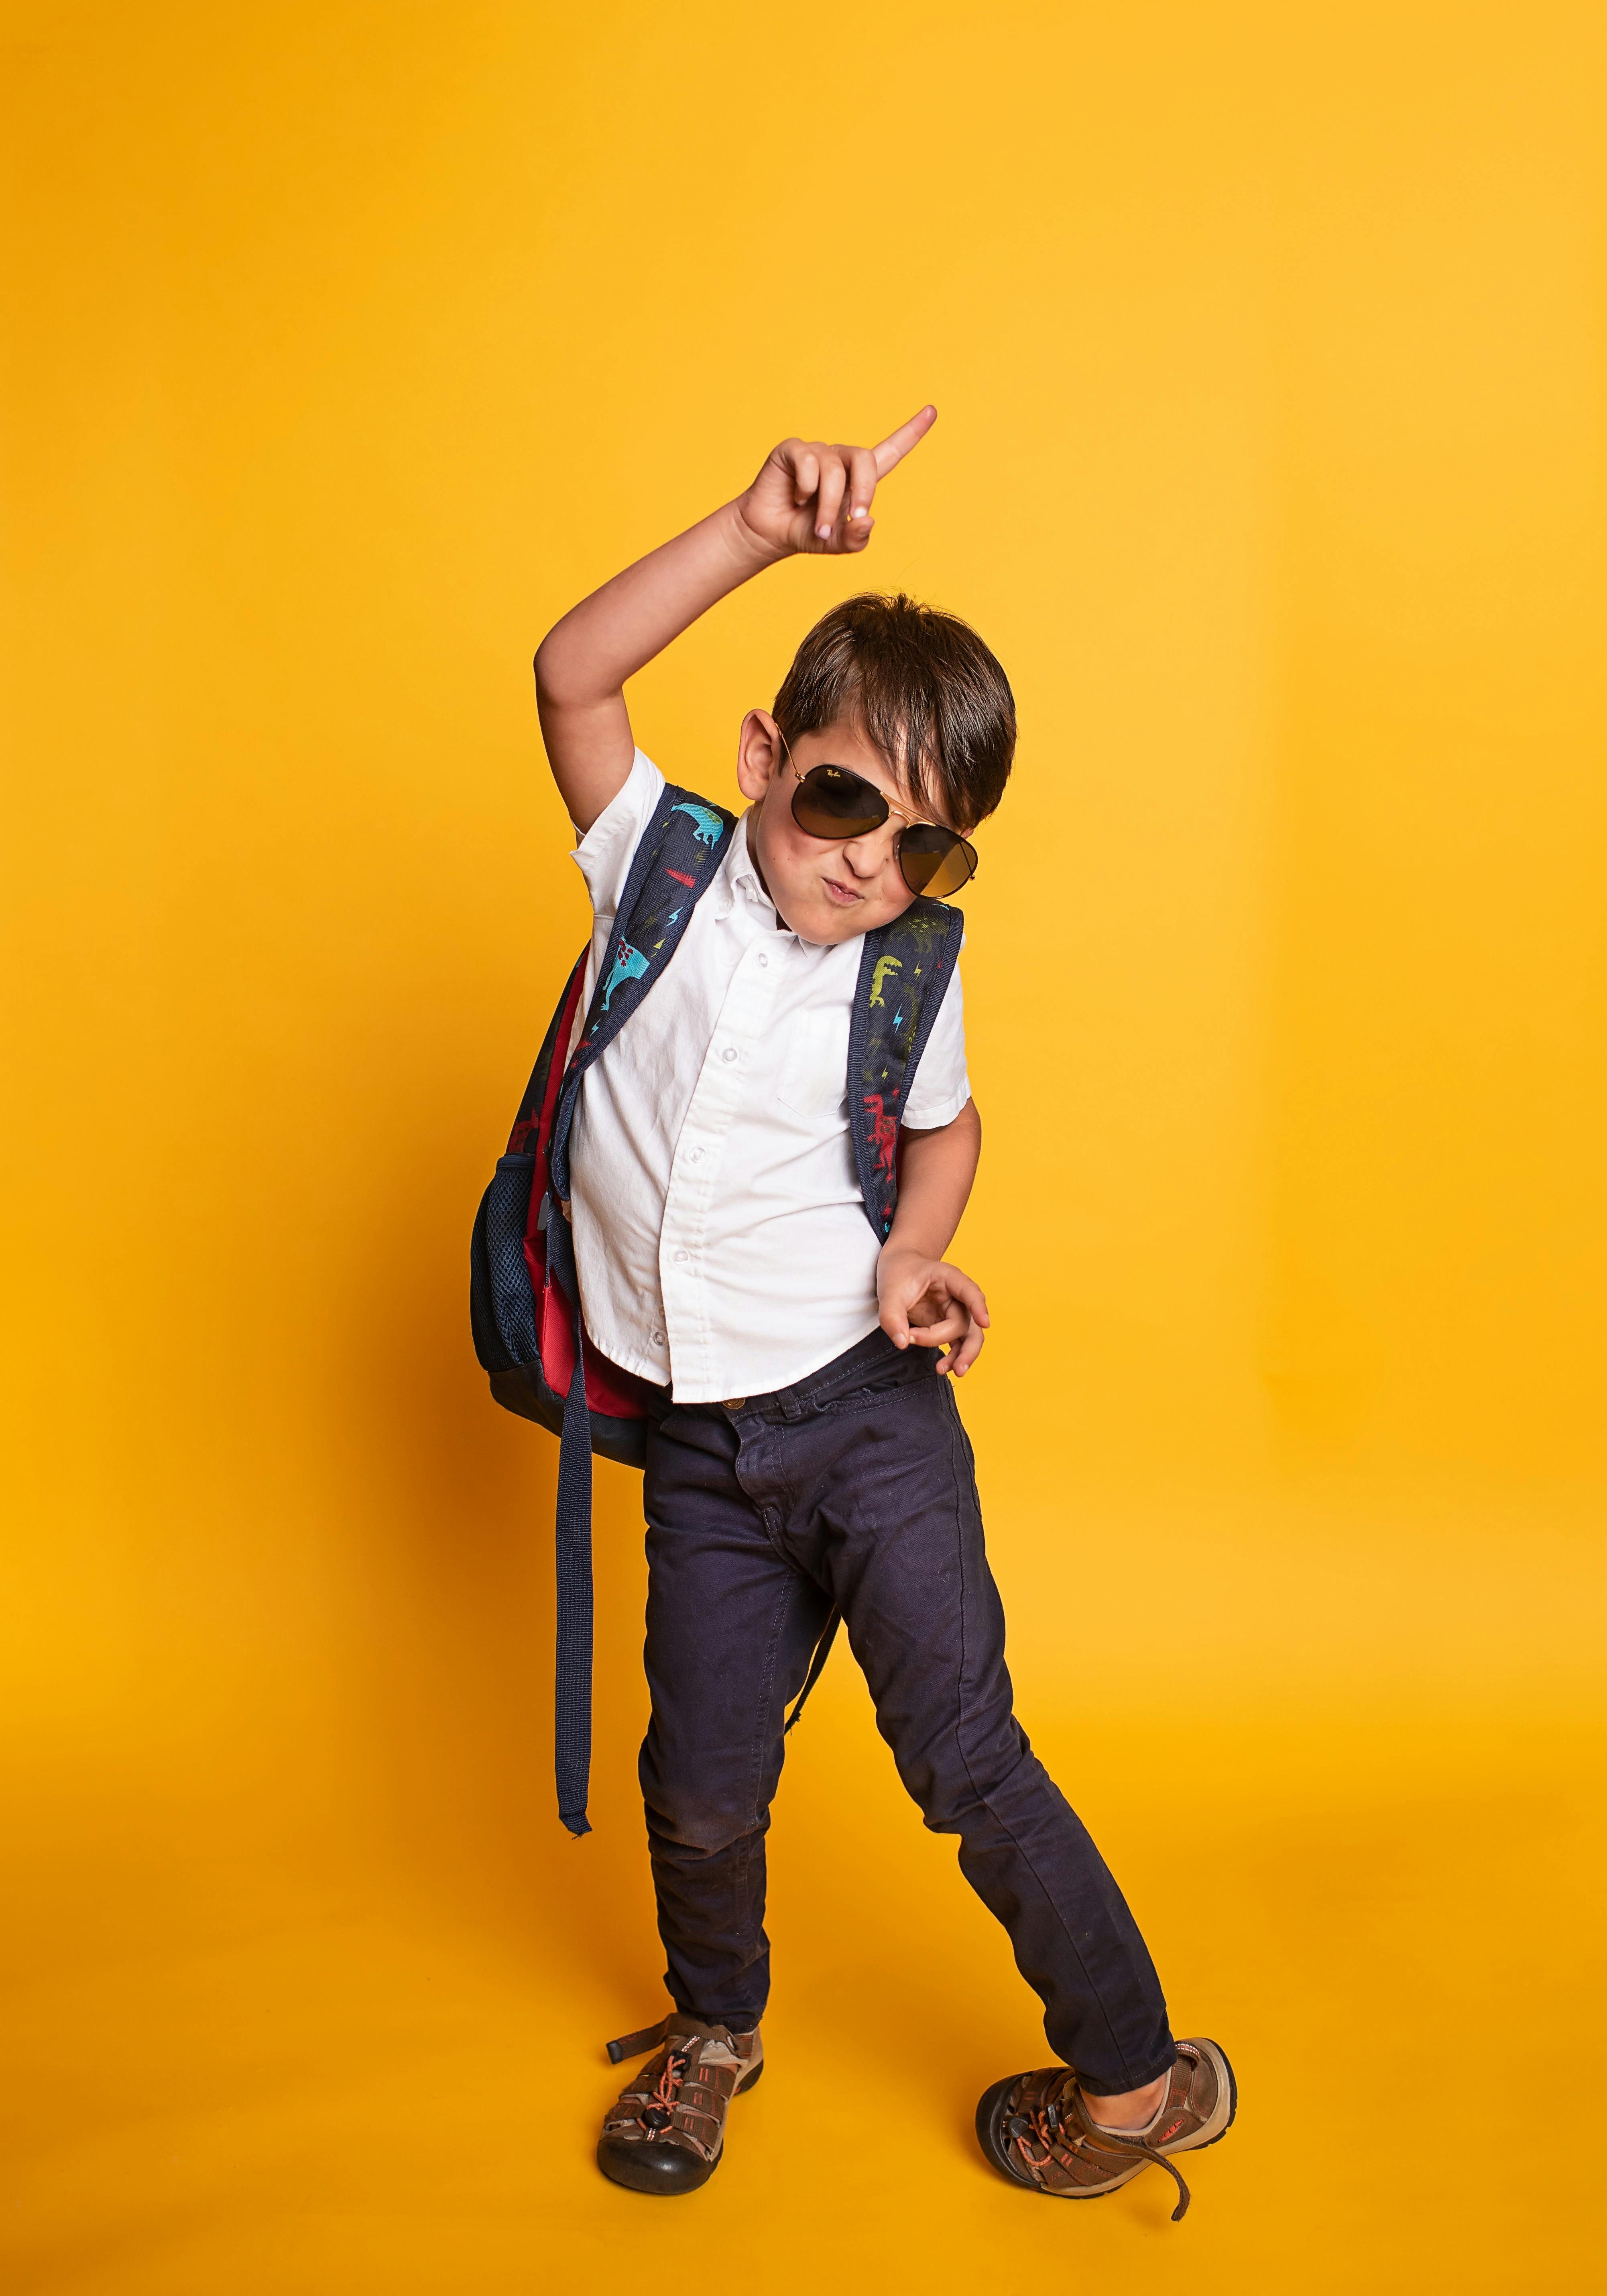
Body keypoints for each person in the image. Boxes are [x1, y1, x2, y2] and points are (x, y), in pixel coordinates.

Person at [531, 407, 1235, 2217]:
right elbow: (570, 670)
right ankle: (712, 2029)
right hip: (699, 1446)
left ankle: (1139, 2079)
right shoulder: (660, 876)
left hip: (863, 1421)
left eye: (922, 841)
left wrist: (914, 1253)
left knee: (963, 1751)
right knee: (696, 1774)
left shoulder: (911, 964)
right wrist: (755, 535)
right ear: (768, 754)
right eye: (844, 797)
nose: (865, 859)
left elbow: (948, 1122)